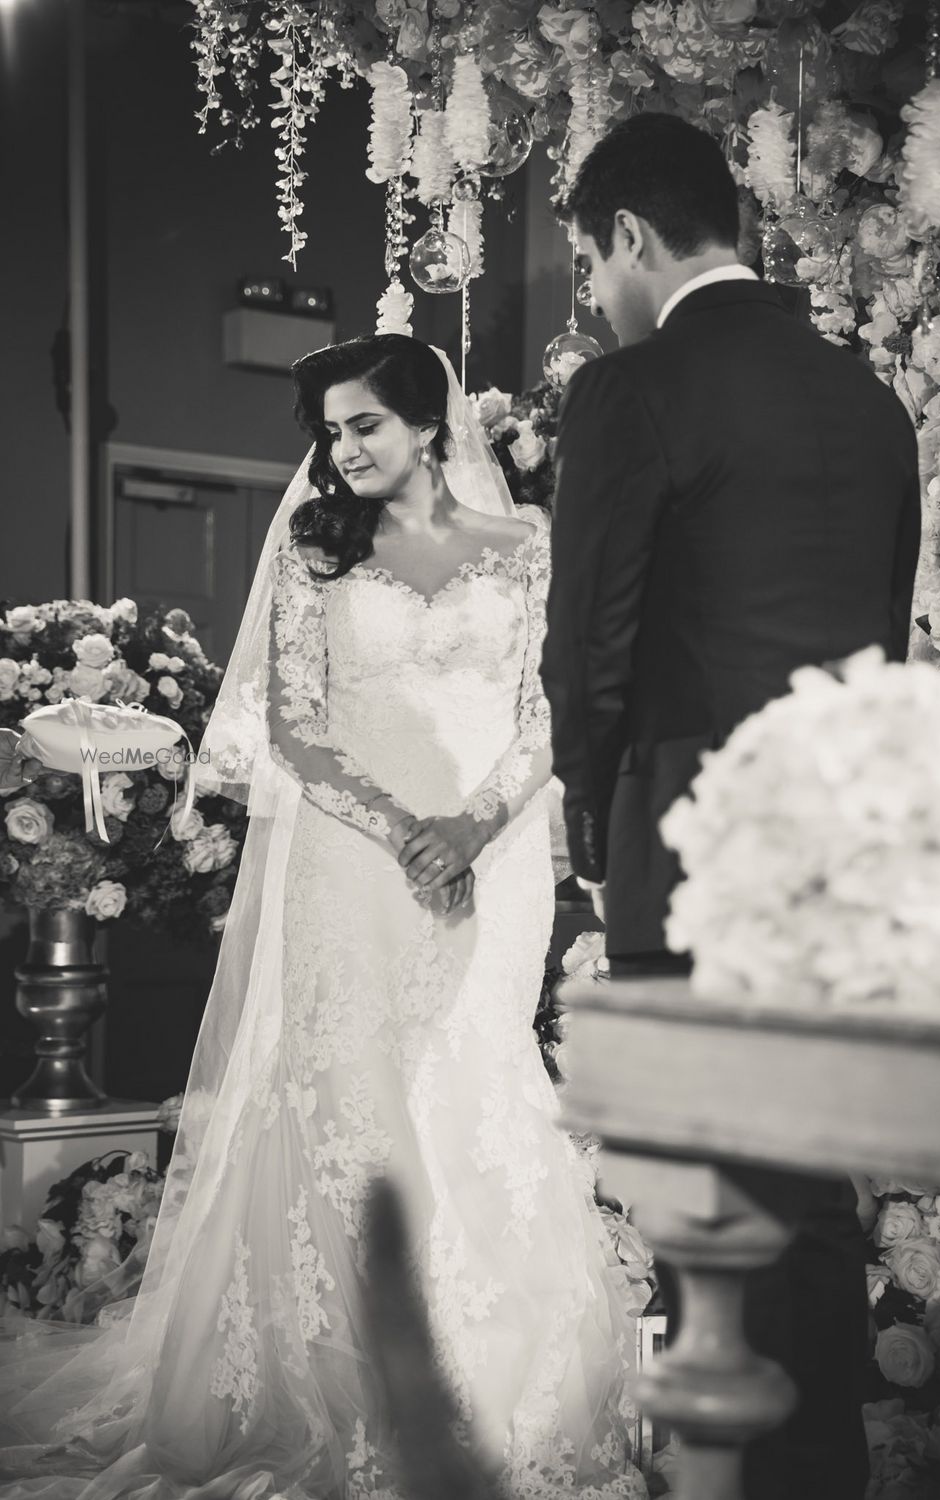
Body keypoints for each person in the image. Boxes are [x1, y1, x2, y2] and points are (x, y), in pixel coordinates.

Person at [0, 335, 647, 1500]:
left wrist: (473, 827)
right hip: (352, 860)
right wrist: (408, 830)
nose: (341, 450)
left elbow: (545, 708)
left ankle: (495, 1382)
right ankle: (340, 1392)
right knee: (350, 1101)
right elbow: (294, 725)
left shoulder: (525, 548)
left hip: (488, 862)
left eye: (364, 426)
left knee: (471, 1087)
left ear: (428, 424)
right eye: (331, 431)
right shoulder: (311, 551)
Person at [540, 114, 920, 1500]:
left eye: (588, 262)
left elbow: (590, 648)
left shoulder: (632, 392)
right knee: (811, 1211)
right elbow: (884, 638)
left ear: (631, 239)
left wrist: (589, 836)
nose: (594, 293)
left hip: (688, 848)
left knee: (709, 1215)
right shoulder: (867, 402)